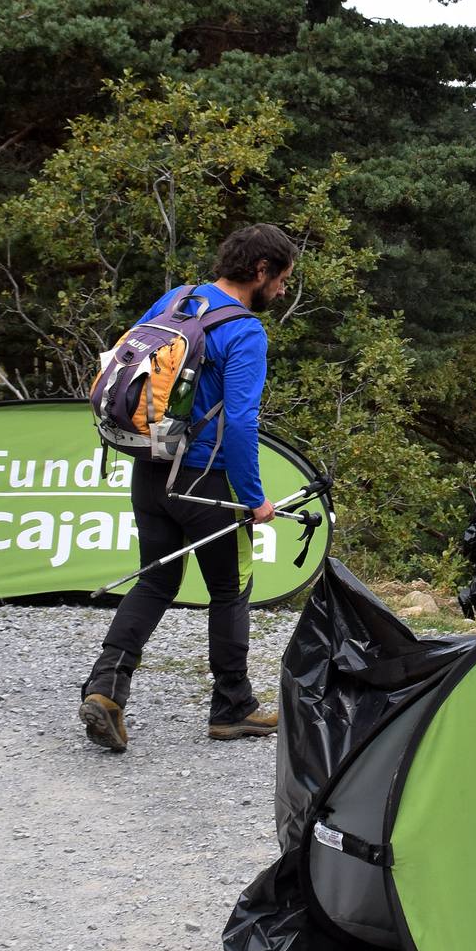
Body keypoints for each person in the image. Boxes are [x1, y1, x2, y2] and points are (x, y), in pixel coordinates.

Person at [78, 224, 296, 754]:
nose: (284, 291)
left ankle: (105, 689)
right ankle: (232, 707)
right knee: (229, 589)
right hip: (206, 483)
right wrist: (253, 497)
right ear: (261, 272)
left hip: (150, 468)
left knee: (154, 582)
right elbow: (242, 423)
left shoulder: (177, 299)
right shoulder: (244, 331)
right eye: (284, 280)